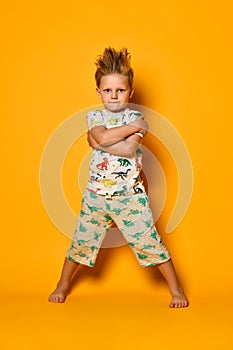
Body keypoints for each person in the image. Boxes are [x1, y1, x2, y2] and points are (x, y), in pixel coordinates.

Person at [48, 47, 189, 308]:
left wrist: (98, 141)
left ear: (130, 92)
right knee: (81, 242)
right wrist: (126, 132)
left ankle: (177, 289)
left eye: (120, 90)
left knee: (150, 242)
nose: (114, 96)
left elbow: (127, 149)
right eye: (108, 90)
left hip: (130, 198)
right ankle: (62, 284)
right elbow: (103, 136)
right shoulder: (97, 117)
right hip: (96, 196)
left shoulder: (135, 116)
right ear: (98, 92)